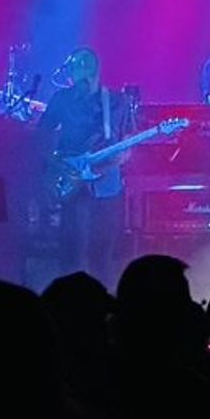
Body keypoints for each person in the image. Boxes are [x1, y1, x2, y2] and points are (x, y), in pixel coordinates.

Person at [39, 46, 132, 277]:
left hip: (107, 187)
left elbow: (127, 143)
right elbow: (41, 137)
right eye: (77, 69)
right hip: (73, 184)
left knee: (102, 256)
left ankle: (102, 304)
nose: (81, 76)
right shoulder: (62, 99)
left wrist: (115, 161)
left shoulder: (116, 101)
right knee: (71, 253)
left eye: (85, 70)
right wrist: (57, 166)